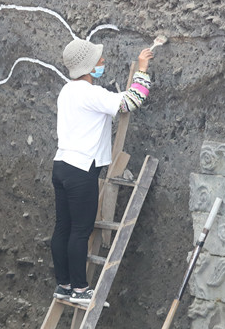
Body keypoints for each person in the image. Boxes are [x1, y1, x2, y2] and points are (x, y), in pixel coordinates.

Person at [51, 39, 154, 306]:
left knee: (63, 227)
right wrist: (142, 70)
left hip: (61, 165)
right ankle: (80, 289)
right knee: (80, 230)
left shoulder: (67, 91)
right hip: (81, 169)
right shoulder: (90, 93)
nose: (102, 62)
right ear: (87, 66)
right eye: (99, 59)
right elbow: (132, 101)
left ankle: (63, 285)